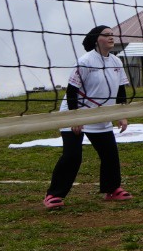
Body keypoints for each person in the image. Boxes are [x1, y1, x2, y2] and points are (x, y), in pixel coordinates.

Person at [44, 26, 132, 210]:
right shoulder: (85, 61)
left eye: (111, 34)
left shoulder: (116, 62)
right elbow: (71, 91)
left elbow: (121, 90)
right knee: (73, 156)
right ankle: (53, 195)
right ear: (96, 39)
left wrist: (121, 115)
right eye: (106, 35)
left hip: (100, 115)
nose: (111, 37)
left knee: (110, 154)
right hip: (76, 112)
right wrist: (75, 118)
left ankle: (112, 189)